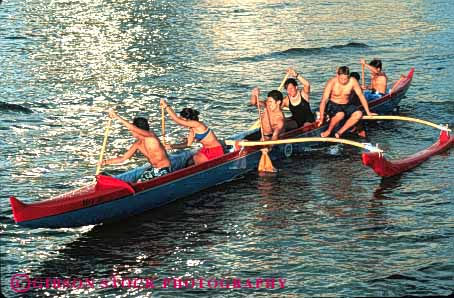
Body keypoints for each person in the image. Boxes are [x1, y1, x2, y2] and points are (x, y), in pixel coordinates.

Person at [100, 110, 171, 182]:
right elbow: (123, 158)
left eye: (133, 129)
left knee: (143, 183)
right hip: (153, 169)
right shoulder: (138, 144)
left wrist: (116, 116)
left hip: (164, 170)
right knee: (139, 182)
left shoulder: (151, 136)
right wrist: (105, 162)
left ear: (137, 129)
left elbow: (132, 128)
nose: (130, 131)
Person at [160, 99, 224, 165]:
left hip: (215, 151)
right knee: (189, 162)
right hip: (205, 150)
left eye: (182, 119)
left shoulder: (197, 124)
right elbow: (187, 144)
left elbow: (176, 119)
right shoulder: (192, 130)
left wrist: (166, 106)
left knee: (196, 158)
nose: (182, 123)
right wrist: (170, 146)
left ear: (188, 119)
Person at [318, 66, 376, 138]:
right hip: (333, 105)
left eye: (345, 79)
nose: (343, 81)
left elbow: (361, 96)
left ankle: (339, 132)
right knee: (340, 114)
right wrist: (321, 117)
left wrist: (368, 112)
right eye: (341, 79)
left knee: (359, 113)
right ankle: (328, 131)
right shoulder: (332, 82)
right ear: (337, 75)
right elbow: (323, 100)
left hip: (346, 105)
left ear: (348, 76)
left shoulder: (353, 81)